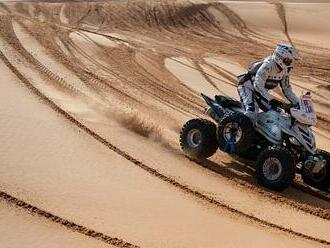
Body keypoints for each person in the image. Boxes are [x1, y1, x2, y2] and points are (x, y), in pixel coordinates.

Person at [237, 44, 300, 121]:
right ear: (280, 57)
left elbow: (287, 90)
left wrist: (298, 104)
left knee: (276, 114)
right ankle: (235, 126)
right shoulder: (268, 65)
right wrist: (271, 99)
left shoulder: (285, 71)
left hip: (261, 93)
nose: (290, 64)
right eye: (288, 61)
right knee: (251, 112)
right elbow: (258, 85)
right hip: (247, 87)